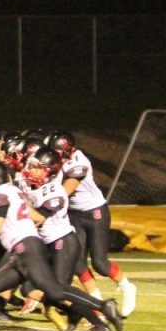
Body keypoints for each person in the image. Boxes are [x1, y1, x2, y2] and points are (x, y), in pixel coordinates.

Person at [0, 160, 120, 331]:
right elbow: (38, 218)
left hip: (26, 248)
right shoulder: (12, 191)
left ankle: (103, 306)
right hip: (22, 249)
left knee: (55, 291)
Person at [46, 131, 137, 316]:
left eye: (58, 153)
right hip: (74, 214)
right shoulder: (56, 161)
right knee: (78, 264)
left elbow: (63, 193)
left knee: (100, 264)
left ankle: (127, 286)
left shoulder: (79, 162)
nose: (54, 157)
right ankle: (99, 307)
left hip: (94, 212)